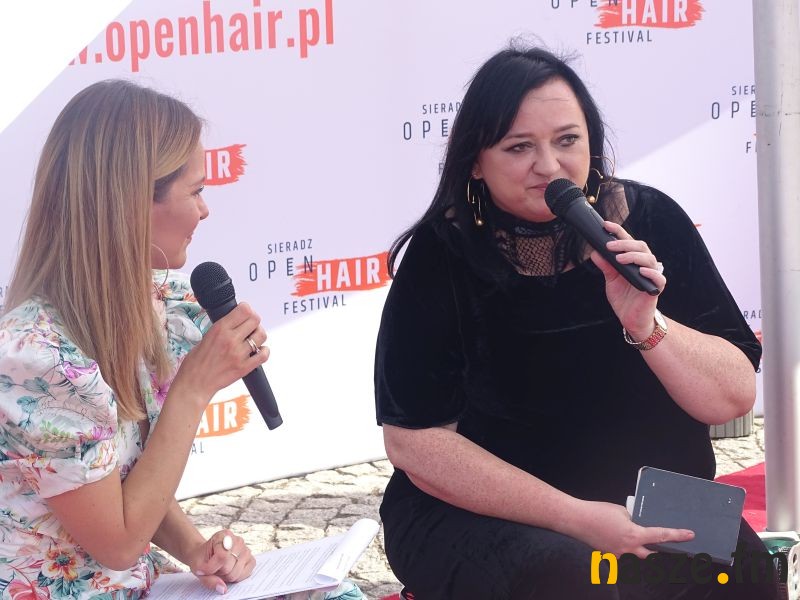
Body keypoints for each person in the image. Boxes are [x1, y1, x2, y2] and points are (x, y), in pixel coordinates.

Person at [374, 46, 779, 599]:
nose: (549, 166)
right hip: (486, 506)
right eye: (519, 147)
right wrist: (577, 517)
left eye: (567, 140)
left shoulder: (651, 220)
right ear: (475, 161)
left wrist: (648, 325)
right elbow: (415, 444)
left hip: (645, 494)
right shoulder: (442, 253)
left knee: (747, 571)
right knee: (571, 577)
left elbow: (731, 398)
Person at [0, 80, 362, 600]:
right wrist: (193, 388)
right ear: (131, 204)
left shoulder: (150, 305)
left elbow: (120, 482)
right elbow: (119, 544)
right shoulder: (37, 357)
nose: (205, 210)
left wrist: (196, 550)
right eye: (195, 191)